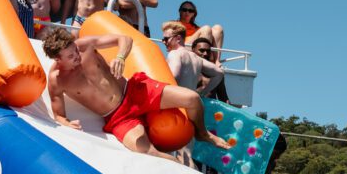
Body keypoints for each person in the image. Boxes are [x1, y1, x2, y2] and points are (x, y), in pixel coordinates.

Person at [43, 28, 230, 162]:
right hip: (118, 117)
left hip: (135, 92)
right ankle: (185, 171)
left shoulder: (84, 45)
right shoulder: (57, 80)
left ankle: (203, 134)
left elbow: (124, 39)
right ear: (57, 59)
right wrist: (67, 123)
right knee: (145, 150)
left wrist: (120, 56)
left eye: (74, 50)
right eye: (70, 56)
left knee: (192, 99)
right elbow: (59, 114)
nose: (77, 55)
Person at [162, 22, 223, 93]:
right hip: (190, 101)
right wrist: (203, 93)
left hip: (175, 101)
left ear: (178, 38)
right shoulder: (198, 58)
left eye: (166, 39)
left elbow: (174, 76)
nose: (163, 42)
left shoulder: (175, 53)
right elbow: (219, 73)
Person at [192, 37, 230, 102]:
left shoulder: (217, 72)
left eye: (208, 51)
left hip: (210, 110)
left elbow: (224, 98)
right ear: (193, 50)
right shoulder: (187, 69)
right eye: (202, 50)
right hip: (190, 108)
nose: (205, 53)